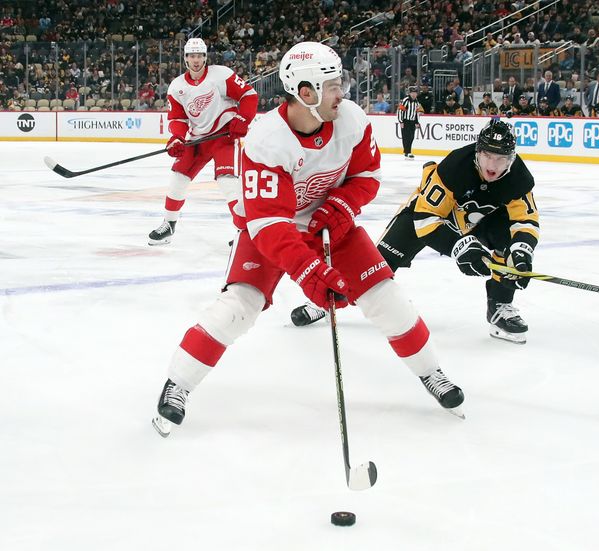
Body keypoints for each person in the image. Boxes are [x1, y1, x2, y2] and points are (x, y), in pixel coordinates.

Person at [152, 42, 464, 436]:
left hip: (331, 226)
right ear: (305, 92)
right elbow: (269, 226)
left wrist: (343, 205)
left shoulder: (351, 120)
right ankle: (177, 383)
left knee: (386, 296)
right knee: (239, 307)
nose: (342, 93)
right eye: (332, 85)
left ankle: (431, 372)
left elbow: (368, 177)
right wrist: (310, 273)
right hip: (271, 230)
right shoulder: (267, 139)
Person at [291, 120, 539, 345]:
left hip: (476, 221)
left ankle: (501, 304)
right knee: (375, 266)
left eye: (500, 159)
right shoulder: (456, 167)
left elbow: (525, 221)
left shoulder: (518, 177)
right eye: (487, 156)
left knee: (510, 240)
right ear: (477, 152)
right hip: (422, 216)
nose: (492, 165)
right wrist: (461, 246)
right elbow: (426, 220)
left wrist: (522, 252)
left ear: (511, 158)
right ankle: (327, 299)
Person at [148, 38, 257, 245]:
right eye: (191, 56)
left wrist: (243, 118)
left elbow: (248, 95)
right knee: (178, 179)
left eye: (199, 55)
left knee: (228, 183)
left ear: (205, 57)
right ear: (185, 58)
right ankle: (169, 224)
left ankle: (244, 231)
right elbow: (178, 119)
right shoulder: (177, 86)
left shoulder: (221, 75)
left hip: (224, 137)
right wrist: (177, 138)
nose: (196, 60)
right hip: (197, 139)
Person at [397, 85, 423, 158]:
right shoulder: (406, 100)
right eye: (412, 93)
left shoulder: (417, 102)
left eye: (415, 93)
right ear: (410, 93)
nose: (414, 94)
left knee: (411, 137)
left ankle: (407, 151)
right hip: (405, 121)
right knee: (406, 137)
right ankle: (407, 152)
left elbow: (417, 113)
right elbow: (400, 111)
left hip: (412, 122)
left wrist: (417, 122)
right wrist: (401, 121)